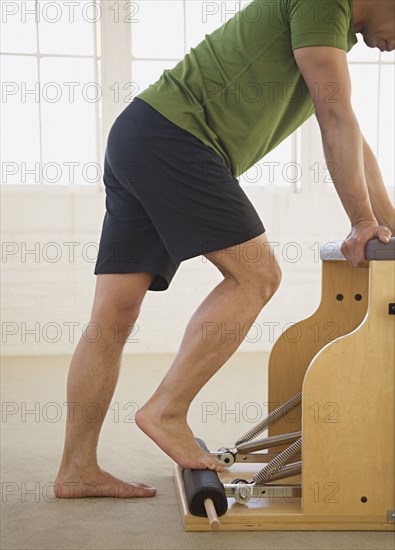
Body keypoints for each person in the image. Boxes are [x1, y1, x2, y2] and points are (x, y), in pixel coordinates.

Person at [55, 0, 395, 499]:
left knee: (113, 313)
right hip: (179, 138)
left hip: (141, 133)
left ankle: (76, 470)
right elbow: (335, 117)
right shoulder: (325, 4)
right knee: (257, 276)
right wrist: (363, 221)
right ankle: (167, 410)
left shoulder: (329, 31)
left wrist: (385, 223)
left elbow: (354, 136)